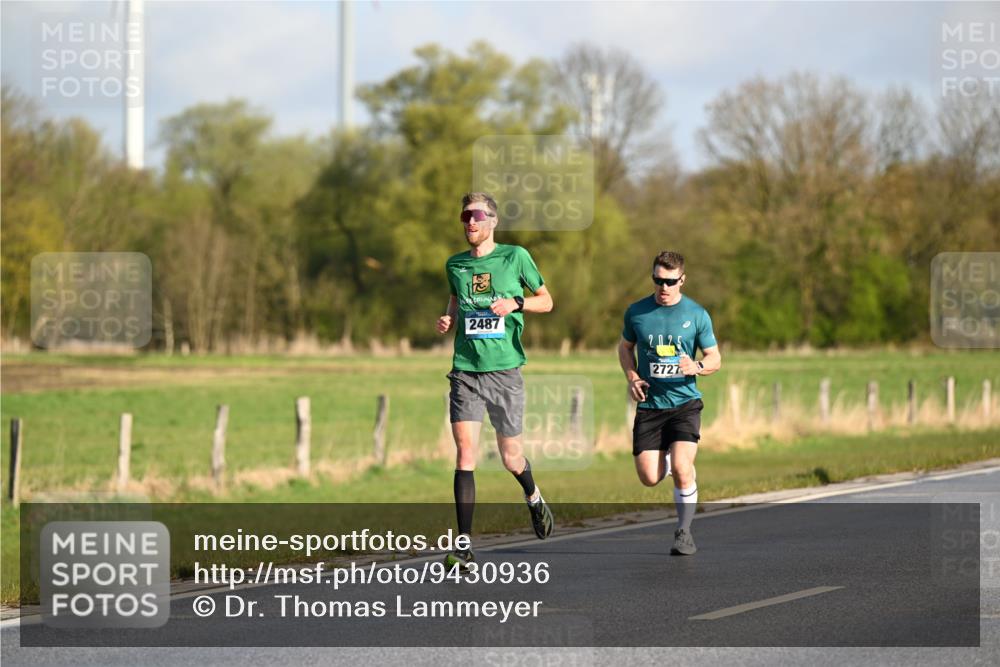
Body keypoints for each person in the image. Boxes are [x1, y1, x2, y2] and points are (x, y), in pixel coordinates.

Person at [436, 192, 555, 569]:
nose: (470, 222)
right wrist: (449, 318)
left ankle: (533, 496)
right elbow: (456, 299)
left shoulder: (515, 256)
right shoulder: (455, 264)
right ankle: (464, 547)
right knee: (465, 454)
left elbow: (546, 301)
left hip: (504, 371)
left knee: (510, 458)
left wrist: (516, 303)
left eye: (476, 215)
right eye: (464, 217)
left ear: (493, 220)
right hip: (465, 370)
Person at [618, 251, 721, 555]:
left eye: (670, 282)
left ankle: (684, 531)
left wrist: (697, 367)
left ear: (682, 280)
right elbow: (625, 348)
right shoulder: (637, 312)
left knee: (682, 466)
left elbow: (715, 357)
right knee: (649, 478)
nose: (664, 287)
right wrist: (632, 377)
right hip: (650, 405)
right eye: (658, 280)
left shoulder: (697, 314)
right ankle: (674, 466)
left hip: (685, 403)